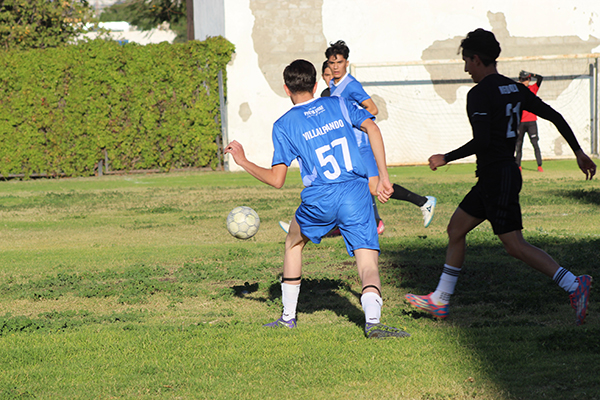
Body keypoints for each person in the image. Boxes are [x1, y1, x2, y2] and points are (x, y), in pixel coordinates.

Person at [405, 29, 596, 326]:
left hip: (498, 177)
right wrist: (578, 151)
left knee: (514, 245)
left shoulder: (479, 93)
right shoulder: (515, 89)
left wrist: (446, 157)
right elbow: (555, 116)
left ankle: (574, 284)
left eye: (467, 61)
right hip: (497, 175)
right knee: (455, 229)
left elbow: (481, 142)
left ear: (477, 59)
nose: (466, 68)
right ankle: (440, 300)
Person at [225, 59, 410, 339]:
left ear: (286, 89)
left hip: (319, 198)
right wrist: (383, 176)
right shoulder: (338, 103)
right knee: (367, 261)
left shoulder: (284, 124)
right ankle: (373, 323)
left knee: (293, 243)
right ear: (315, 84)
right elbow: (373, 127)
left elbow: (277, 180)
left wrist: (243, 161)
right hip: (355, 193)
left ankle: (288, 318)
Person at [326, 40, 437, 232]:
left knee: (373, 187)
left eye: (340, 62)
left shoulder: (351, 85)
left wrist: (358, 123)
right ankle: (367, 222)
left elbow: (372, 108)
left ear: (347, 63)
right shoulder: (332, 83)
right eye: (332, 63)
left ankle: (423, 201)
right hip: (348, 145)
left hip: (361, 145)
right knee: (348, 184)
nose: (336, 67)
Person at [515, 70, 544, 171]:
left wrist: (532, 74)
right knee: (518, 145)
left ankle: (539, 165)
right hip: (520, 122)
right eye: (523, 79)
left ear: (529, 79)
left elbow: (540, 78)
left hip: (531, 122)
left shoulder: (533, 88)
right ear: (519, 80)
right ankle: (518, 166)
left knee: (535, 144)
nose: (525, 81)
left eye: (527, 79)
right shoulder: (517, 90)